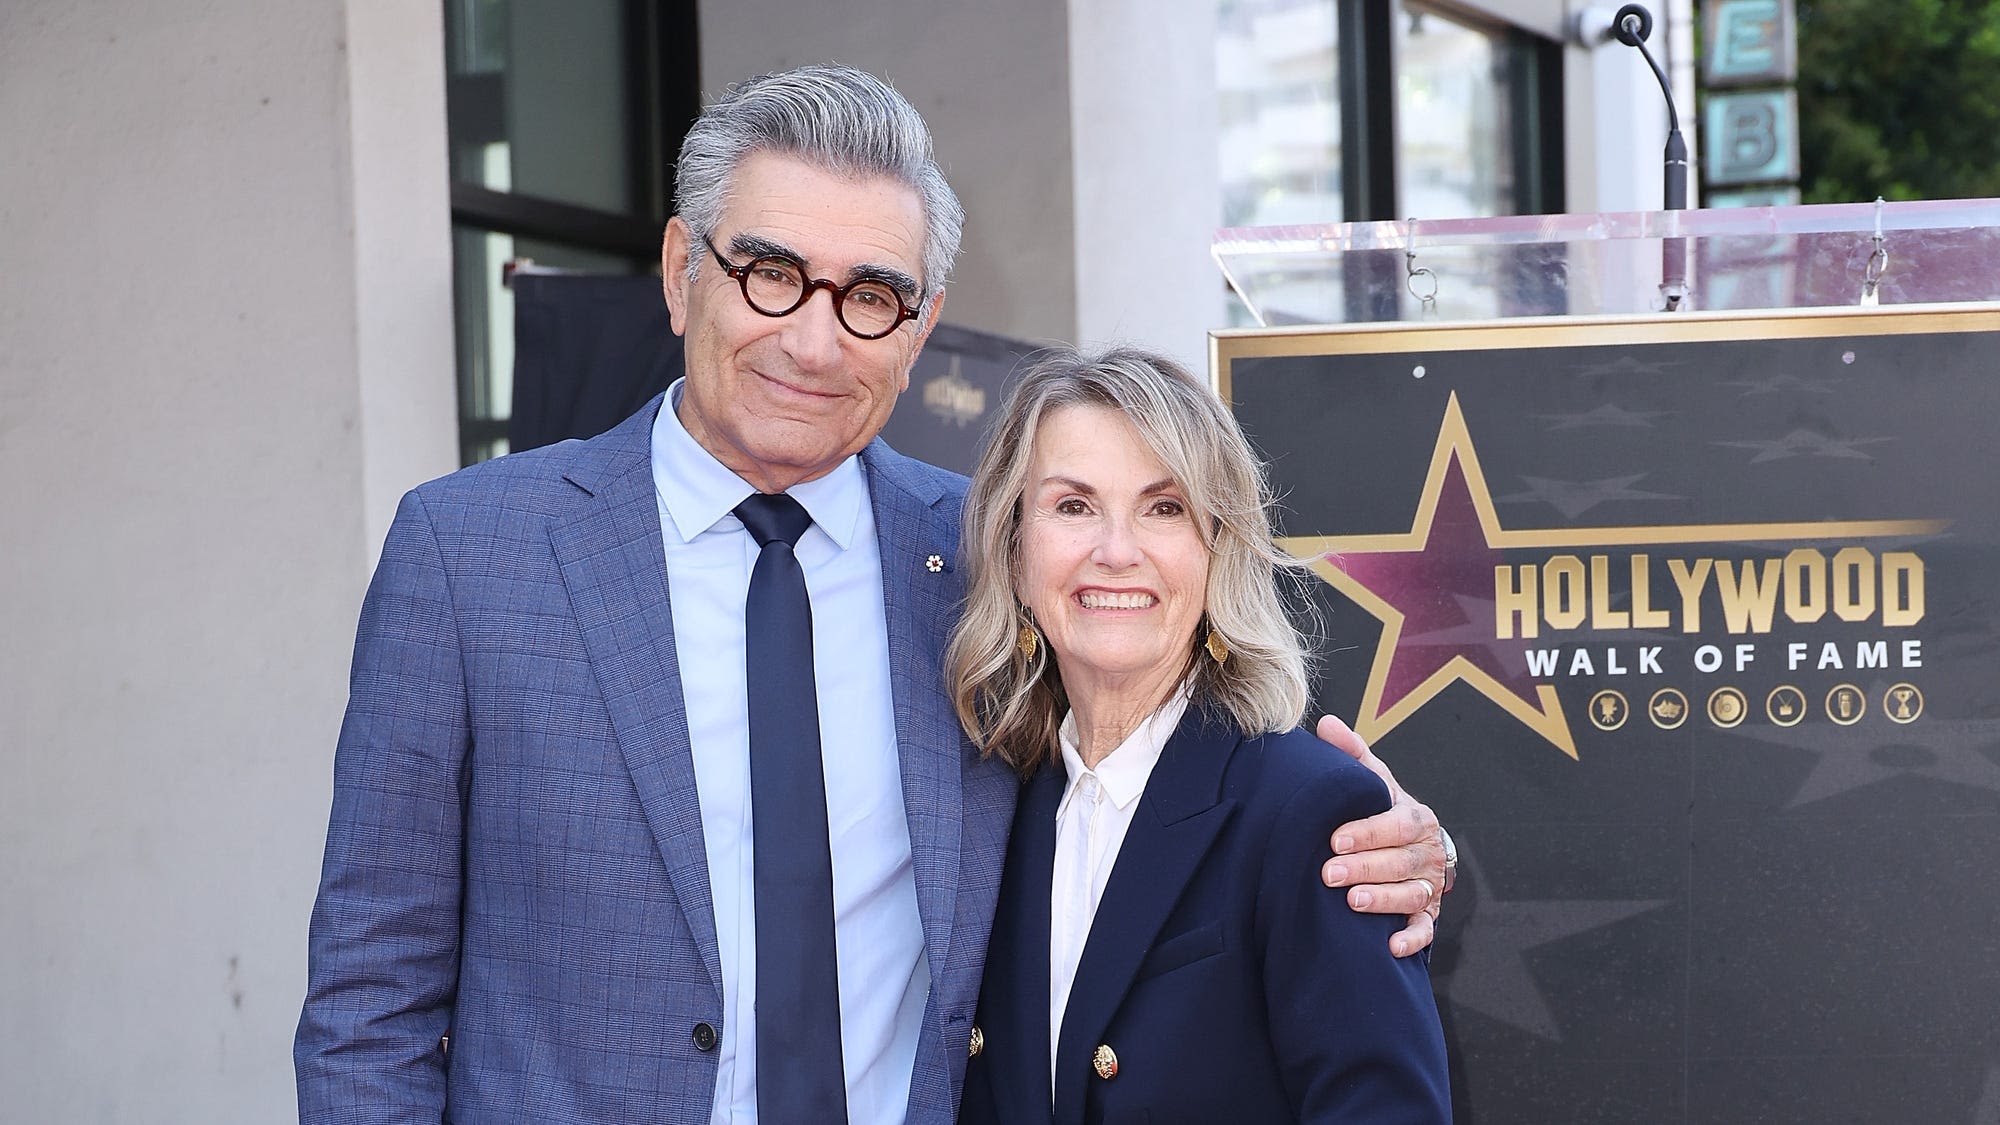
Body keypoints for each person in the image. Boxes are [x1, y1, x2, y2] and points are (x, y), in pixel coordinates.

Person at [295, 65, 1449, 1125]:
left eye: (870, 297)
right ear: (679, 271)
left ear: (919, 330)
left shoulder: (993, 563)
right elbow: (371, 998)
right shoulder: (470, 555)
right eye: (770, 274)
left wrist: (1390, 847)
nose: (813, 339)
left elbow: (1171, 781)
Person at [952, 346, 1451, 1123]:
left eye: (1165, 506)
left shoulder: (1309, 809)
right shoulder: (993, 813)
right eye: (1074, 506)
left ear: (1217, 548)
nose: (1116, 552)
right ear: (1016, 552)